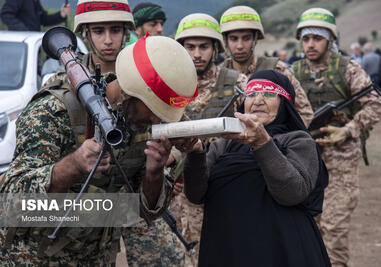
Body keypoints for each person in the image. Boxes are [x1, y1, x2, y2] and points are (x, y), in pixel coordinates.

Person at [0, 0, 198, 265]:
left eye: (116, 30)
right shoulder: (54, 111)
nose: (156, 119)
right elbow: (11, 205)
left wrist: (153, 174)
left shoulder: (139, 119)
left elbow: (142, 212)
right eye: (152, 109)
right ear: (132, 91)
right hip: (35, 258)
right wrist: (72, 166)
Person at [183, 69, 331, 267]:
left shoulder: (299, 141)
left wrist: (262, 144)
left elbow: (293, 193)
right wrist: (195, 154)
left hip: (280, 250)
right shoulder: (224, 144)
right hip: (228, 247)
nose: (258, 100)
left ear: (284, 103)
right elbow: (195, 194)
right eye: (251, 94)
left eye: (269, 94)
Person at [291, 8, 381, 267]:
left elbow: (375, 106)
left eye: (317, 38)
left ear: (330, 39)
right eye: (306, 38)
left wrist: (347, 130)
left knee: (334, 234)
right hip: (305, 163)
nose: (310, 44)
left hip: (341, 162)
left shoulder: (347, 69)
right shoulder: (294, 71)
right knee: (307, 232)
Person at [171, 13, 248, 267]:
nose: (196, 54)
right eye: (189, 47)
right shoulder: (167, 85)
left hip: (222, 189)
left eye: (203, 46)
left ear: (215, 47)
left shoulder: (237, 83)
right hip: (175, 192)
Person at [220, 5, 314, 127]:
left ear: (255, 39)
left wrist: (278, 139)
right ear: (226, 41)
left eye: (246, 38)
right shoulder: (218, 75)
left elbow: (305, 114)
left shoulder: (277, 70)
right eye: (234, 39)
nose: (240, 45)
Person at [0, 0, 70, 31]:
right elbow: (6, 14)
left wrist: (61, 15)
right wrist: (24, 31)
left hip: (33, 44)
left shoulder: (35, 1)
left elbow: (43, 19)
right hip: (21, 45)